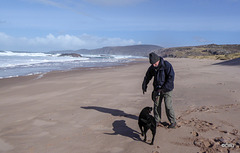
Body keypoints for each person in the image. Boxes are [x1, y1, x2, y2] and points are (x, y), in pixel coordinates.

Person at [142, 52, 176, 128]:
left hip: (167, 89)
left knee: (168, 106)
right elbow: (147, 76)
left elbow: (171, 78)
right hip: (157, 89)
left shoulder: (167, 65)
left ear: (158, 60)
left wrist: (163, 89)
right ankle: (157, 120)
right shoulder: (152, 67)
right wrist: (144, 85)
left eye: (155, 63)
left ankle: (173, 122)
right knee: (156, 105)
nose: (154, 65)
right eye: (152, 64)